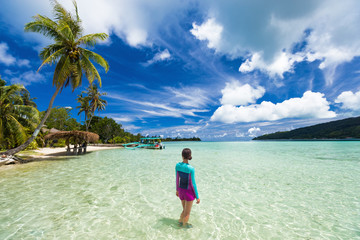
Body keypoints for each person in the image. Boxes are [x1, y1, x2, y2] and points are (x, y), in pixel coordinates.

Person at [176, 148, 200, 228]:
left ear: (182, 156)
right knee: (187, 213)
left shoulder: (177, 166)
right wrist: (197, 196)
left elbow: (177, 179)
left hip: (181, 191)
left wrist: (177, 190)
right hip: (189, 193)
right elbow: (193, 184)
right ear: (190, 156)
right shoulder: (191, 168)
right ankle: (184, 226)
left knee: (184, 210)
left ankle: (180, 223)